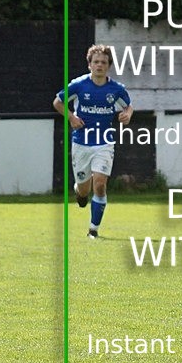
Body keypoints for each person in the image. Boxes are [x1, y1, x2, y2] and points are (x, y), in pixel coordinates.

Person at [53, 44, 133, 238]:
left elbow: (128, 107)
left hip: (104, 143)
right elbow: (58, 102)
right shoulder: (79, 85)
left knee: (99, 184)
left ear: (109, 66)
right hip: (81, 143)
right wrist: (71, 118)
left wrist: (127, 115)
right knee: (84, 188)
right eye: (96, 62)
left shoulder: (116, 89)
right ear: (89, 65)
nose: (99, 65)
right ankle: (80, 193)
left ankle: (93, 230)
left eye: (103, 62)